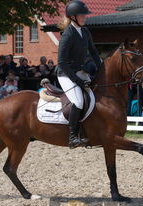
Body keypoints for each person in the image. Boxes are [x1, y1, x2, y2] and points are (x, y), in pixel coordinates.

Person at [56, 0, 101, 148]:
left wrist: (102, 68)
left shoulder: (85, 31)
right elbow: (62, 62)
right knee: (79, 101)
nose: (85, 17)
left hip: (80, 71)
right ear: (73, 17)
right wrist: (76, 80)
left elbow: (94, 52)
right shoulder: (68, 34)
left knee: (96, 95)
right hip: (66, 74)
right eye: (82, 15)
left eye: (85, 15)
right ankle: (73, 136)